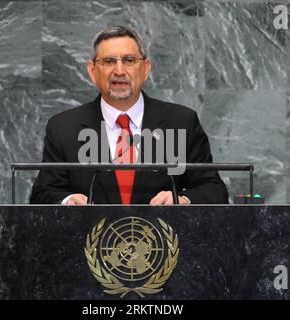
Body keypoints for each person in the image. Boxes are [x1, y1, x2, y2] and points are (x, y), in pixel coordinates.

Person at [30, 26, 228, 205]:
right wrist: (67, 200)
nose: (119, 70)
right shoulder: (63, 127)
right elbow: (42, 194)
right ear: (92, 71)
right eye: (108, 61)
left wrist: (183, 200)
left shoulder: (181, 122)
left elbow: (214, 190)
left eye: (129, 60)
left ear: (146, 68)